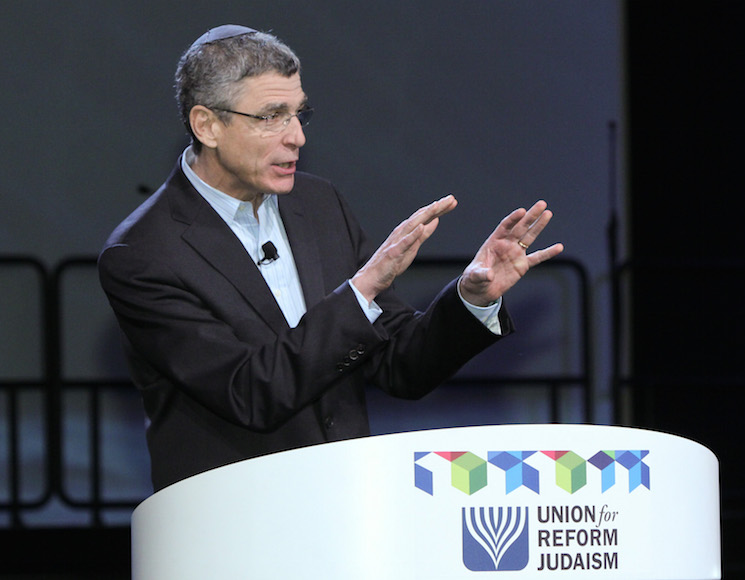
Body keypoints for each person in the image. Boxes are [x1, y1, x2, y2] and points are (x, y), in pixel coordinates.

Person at [98, 25, 563, 491]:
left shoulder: (319, 205)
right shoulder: (143, 253)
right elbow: (250, 393)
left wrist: (470, 298)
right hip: (232, 521)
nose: (296, 136)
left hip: (341, 508)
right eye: (271, 116)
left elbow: (400, 367)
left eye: (299, 114)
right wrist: (361, 291)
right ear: (208, 125)